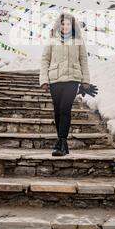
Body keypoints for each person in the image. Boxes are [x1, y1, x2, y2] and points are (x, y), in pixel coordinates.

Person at [39, 12, 90, 156]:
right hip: (55, 79)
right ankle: (63, 144)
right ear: (59, 25)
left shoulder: (78, 40)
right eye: (62, 23)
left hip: (72, 79)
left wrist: (85, 80)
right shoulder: (52, 40)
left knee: (64, 109)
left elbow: (83, 60)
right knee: (57, 111)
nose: (65, 26)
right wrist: (44, 80)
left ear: (72, 25)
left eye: (68, 23)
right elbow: (45, 60)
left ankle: (61, 141)